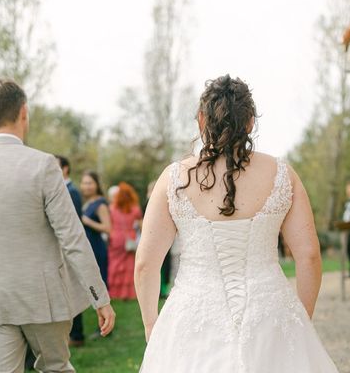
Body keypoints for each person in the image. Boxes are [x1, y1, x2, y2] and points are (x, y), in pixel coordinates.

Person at [135, 75, 338, 372]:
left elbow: (146, 264)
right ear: (250, 122)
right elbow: (308, 255)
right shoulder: (282, 174)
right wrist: (300, 323)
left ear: (201, 120)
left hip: (192, 316)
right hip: (270, 313)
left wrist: (151, 325)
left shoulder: (174, 178)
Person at [0, 78, 115, 373]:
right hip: (42, 296)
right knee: (56, 367)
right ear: (24, 112)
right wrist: (99, 296)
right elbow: (72, 238)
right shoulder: (44, 165)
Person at [55, 155, 85, 348]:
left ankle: (76, 334)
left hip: (69, 246)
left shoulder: (71, 191)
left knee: (73, 287)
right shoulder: (62, 189)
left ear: (65, 169)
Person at [80, 171, 111, 339]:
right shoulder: (86, 203)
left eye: (89, 183)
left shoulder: (100, 204)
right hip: (88, 248)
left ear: (97, 185)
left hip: (97, 248)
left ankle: (107, 325)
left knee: (101, 286)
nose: (86, 186)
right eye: (84, 183)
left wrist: (88, 221)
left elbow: (108, 228)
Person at [108, 183, 142, 300]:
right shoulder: (135, 209)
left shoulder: (112, 208)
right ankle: (128, 294)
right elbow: (142, 225)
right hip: (129, 238)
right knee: (129, 266)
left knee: (115, 265)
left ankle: (115, 293)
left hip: (116, 237)